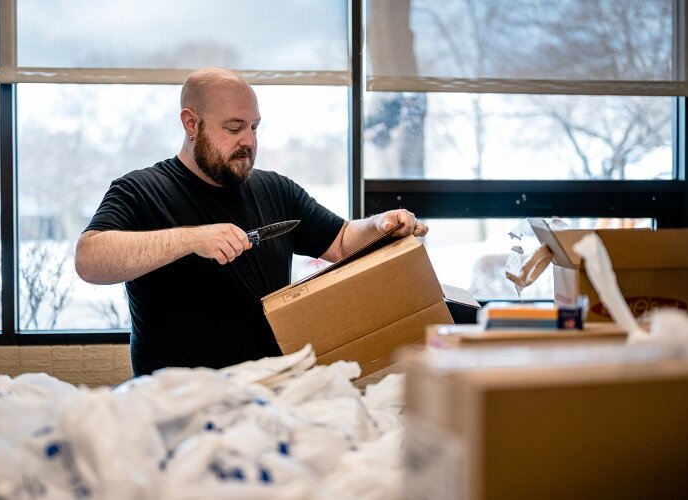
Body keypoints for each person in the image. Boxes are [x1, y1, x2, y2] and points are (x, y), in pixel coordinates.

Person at [75, 67, 428, 376]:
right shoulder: (140, 190)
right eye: (234, 127)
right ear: (191, 123)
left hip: (270, 398)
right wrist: (190, 240)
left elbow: (342, 240)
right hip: (176, 410)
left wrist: (384, 224)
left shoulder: (276, 189)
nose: (249, 141)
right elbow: (90, 260)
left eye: (254, 127)